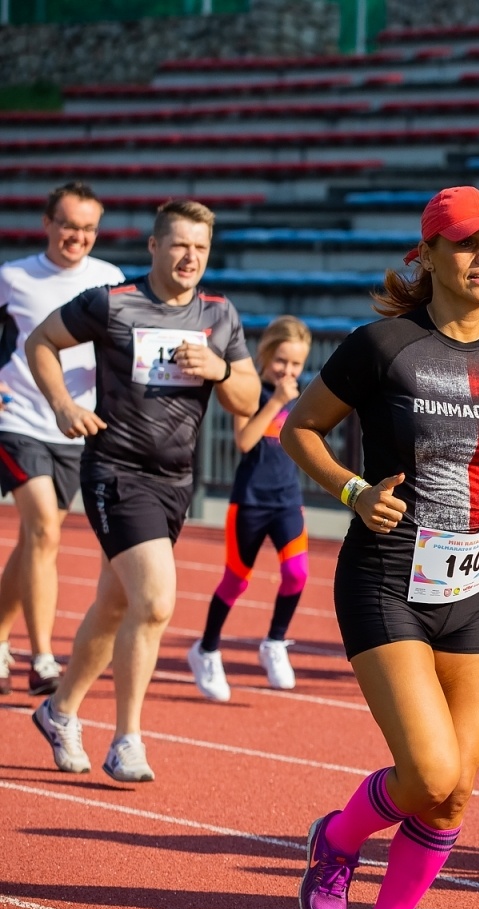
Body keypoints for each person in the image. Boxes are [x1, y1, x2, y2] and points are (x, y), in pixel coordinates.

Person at [281, 186, 479, 909]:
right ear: (430, 255)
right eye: (470, 244)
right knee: (430, 770)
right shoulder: (381, 346)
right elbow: (298, 429)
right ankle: (338, 840)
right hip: (386, 575)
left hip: (475, 580)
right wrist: (350, 491)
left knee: (452, 795)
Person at [27, 199, 260, 783]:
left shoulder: (219, 315)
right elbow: (40, 342)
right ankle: (127, 738)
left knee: (115, 605)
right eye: (180, 245)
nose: (190, 257)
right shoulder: (113, 303)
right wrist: (62, 405)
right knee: (154, 600)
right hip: (115, 469)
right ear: (154, 247)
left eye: (201, 248)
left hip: (174, 481)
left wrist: (220, 369)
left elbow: (249, 400)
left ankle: (59, 711)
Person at [0, 182, 125, 696]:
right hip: (19, 418)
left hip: (80, 429)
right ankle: (44, 658)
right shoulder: (12, 277)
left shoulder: (110, 280)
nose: (78, 236)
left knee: (36, 538)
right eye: (69, 225)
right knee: (44, 530)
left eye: (88, 228)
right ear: (47, 224)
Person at [187, 315, 312, 700]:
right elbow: (244, 440)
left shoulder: (302, 394)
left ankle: (274, 642)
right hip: (250, 501)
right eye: (281, 362)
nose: (288, 371)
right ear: (264, 356)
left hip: (288, 499)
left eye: (295, 365)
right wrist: (275, 400)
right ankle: (206, 649)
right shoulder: (249, 390)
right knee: (236, 581)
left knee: (297, 574)